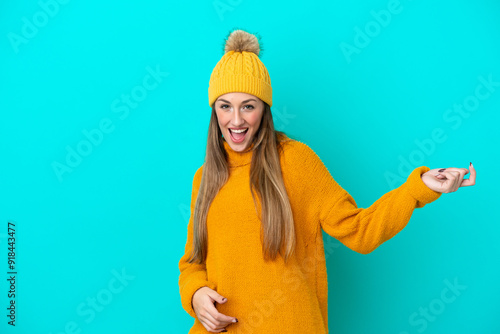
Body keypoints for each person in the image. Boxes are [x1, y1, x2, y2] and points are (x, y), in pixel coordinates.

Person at [178, 29, 476, 334]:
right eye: (225, 105)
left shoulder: (295, 161)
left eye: (248, 106)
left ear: (264, 110)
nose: (236, 120)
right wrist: (195, 294)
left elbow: (361, 232)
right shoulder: (205, 177)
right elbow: (192, 262)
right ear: (214, 110)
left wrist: (419, 188)